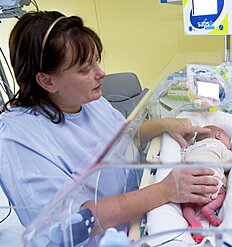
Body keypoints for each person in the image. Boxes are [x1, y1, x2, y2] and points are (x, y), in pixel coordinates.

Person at [0, 11, 219, 237]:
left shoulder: (86, 100)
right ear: (47, 81)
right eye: (85, 69)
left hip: (133, 216)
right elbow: (69, 225)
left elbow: (121, 135)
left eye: (97, 61)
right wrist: (164, 191)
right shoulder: (20, 141)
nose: (101, 73)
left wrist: (163, 125)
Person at [181, 125, 232, 243]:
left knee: (187, 205)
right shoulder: (219, 145)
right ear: (218, 136)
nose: (230, 145)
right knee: (222, 193)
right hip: (211, 181)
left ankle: (193, 221)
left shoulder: (191, 149)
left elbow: (181, 164)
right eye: (229, 141)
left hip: (191, 183)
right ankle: (210, 207)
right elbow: (228, 165)